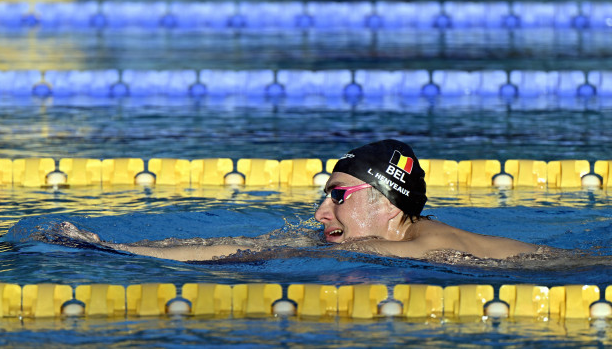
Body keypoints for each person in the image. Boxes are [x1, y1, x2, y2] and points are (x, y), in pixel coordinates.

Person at [58, 139, 539, 262]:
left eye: (338, 197)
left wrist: (116, 254)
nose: (320, 212)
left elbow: (256, 256)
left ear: (387, 203)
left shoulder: (391, 249)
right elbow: (239, 242)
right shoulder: (384, 233)